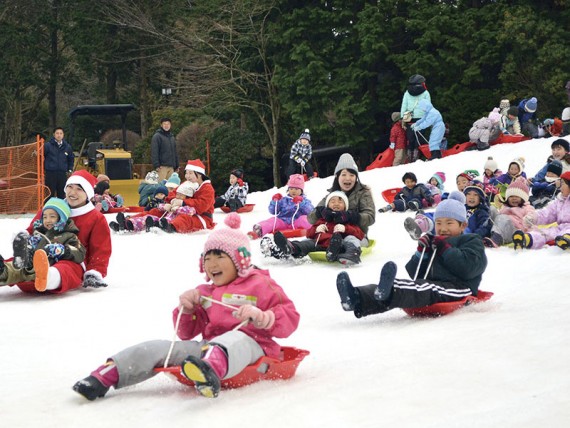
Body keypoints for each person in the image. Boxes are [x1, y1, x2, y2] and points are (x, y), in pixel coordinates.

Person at [72, 213, 300, 400]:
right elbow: (185, 333)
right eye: (207, 258)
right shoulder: (205, 292)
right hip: (207, 349)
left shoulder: (260, 284)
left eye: (219, 256)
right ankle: (107, 374)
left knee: (236, 339)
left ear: (239, 259)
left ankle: (208, 370)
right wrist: (188, 310)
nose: (212, 264)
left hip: (255, 349)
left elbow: (290, 317)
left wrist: (263, 317)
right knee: (159, 347)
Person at [336, 191, 487, 318]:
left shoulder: (471, 240)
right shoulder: (436, 242)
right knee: (403, 288)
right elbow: (416, 275)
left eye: (449, 223)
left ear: (463, 225)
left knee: (421, 288)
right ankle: (356, 296)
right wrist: (422, 253)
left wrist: (445, 249)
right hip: (432, 287)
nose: (443, 228)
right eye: (439, 223)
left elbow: (469, 269)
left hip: (459, 288)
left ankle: (388, 290)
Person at [2, 170, 111, 293]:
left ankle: (47, 276)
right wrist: (25, 237)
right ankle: (3, 271)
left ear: (88, 194)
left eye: (79, 189)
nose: (73, 192)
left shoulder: (95, 218)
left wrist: (95, 271)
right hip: (41, 253)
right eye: (70, 187)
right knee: (19, 263)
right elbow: (34, 228)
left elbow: (101, 249)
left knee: (66, 268)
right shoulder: (53, 207)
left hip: (72, 257)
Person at [262, 154, 375, 264]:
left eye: (352, 175)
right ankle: (288, 249)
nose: (348, 178)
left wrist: (351, 216)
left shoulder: (363, 193)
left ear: (356, 177)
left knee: (348, 240)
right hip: (329, 236)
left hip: (356, 235)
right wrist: (321, 212)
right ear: (337, 177)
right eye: (344, 174)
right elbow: (311, 218)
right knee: (309, 242)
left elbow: (370, 217)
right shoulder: (331, 196)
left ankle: (347, 252)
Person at [1, 198, 86, 292]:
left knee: (55, 268)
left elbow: (79, 252)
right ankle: (3, 270)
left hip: (50, 265)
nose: (48, 220)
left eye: (52, 216)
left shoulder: (69, 235)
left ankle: (41, 272)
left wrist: (62, 250)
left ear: (62, 218)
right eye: (45, 217)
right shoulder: (39, 233)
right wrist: (31, 244)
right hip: (32, 265)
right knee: (17, 268)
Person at [134, 159, 215, 233]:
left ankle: (170, 226)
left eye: (190, 173)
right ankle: (131, 221)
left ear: (199, 175)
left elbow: (202, 205)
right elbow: (172, 193)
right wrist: (172, 201)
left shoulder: (207, 188)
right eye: (186, 173)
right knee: (156, 211)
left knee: (184, 219)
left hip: (201, 217)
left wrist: (183, 202)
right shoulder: (186, 183)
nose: (187, 176)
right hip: (178, 210)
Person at [513, 170, 570, 250]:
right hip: (560, 229)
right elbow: (547, 213)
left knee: (567, 232)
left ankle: (567, 240)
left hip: (567, 230)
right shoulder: (559, 201)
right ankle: (526, 239)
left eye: (563, 183)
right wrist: (534, 217)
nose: (560, 187)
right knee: (545, 233)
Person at [250, 174, 313, 239]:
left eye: (296, 189)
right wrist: (275, 202)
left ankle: (313, 229)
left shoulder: (305, 201)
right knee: (273, 220)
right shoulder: (283, 200)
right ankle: (259, 230)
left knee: (304, 219)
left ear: (301, 190)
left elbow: (310, 211)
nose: (293, 191)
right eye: (291, 188)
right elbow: (272, 211)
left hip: (296, 222)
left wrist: (302, 204)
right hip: (283, 222)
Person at [484, 177, 535, 247]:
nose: (514, 198)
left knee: (502, 218)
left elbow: (532, 215)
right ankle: (482, 233)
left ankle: (496, 240)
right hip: (501, 228)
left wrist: (529, 218)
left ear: (523, 198)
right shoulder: (505, 207)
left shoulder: (526, 207)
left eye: (517, 196)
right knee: (491, 209)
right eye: (511, 196)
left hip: (515, 231)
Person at [400, 74, 431, 162]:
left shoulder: (407, 92)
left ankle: (410, 157)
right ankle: (418, 156)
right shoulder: (425, 93)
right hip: (421, 118)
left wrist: (403, 118)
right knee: (420, 138)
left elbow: (404, 106)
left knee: (411, 139)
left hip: (409, 119)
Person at [44, 127, 74, 199]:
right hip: (50, 173)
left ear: (63, 135)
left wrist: (70, 169)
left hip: (62, 174)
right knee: (49, 194)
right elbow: (41, 157)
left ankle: (61, 209)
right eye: (57, 133)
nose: (59, 135)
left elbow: (71, 159)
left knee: (62, 194)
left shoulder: (67, 147)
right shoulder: (48, 146)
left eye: (61, 133)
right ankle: (48, 209)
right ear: (54, 135)